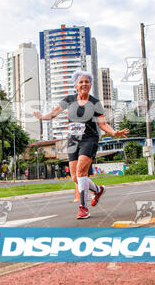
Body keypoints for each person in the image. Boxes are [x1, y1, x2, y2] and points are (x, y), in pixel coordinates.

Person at [34, 70, 129, 219]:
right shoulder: (69, 99)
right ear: (76, 86)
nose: (84, 84)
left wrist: (114, 132)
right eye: (81, 82)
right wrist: (42, 117)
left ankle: (83, 208)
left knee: (81, 172)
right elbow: (53, 113)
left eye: (87, 82)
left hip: (89, 139)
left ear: (90, 85)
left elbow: (103, 124)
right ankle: (98, 190)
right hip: (73, 140)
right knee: (74, 177)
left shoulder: (95, 103)